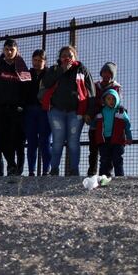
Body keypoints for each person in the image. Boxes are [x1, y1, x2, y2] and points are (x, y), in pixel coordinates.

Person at [41, 45, 95, 176]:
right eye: (64, 55)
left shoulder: (82, 69)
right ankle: (54, 169)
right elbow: (46, 83)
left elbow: (91, 91)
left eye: (70, 55)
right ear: (59, 58)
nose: (67, 58)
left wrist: (89, 112)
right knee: (58, 140)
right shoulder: (54, 69)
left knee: (73, 141)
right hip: (56, 111)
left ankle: (74, 170)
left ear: (75, 57)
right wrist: (61, 70)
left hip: (76, 112)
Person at [0, 39, 31, 175]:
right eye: (6, 49)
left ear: (16, 50)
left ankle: (12, 167)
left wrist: (21, 105)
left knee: (12, 139)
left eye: (12, 49)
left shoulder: (22, 67)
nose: (9, 52)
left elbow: (26, 88)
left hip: (15, 110)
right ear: (3, 50)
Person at [87, 63, 122, 177]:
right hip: (95, 121)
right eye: (105, 72)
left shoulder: (116, 87)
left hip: (108, 124)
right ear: (101, 73)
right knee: (93, 148)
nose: (106, 75)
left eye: (110, 73)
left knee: (108, 149)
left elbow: (116, 104)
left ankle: (107, 173)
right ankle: (92, 171)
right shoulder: (95, 86)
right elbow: (91, 100)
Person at [23, 49, 52, 176]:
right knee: (31, 141)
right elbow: (21, 91)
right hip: (29, 111)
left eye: (40, 60)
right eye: (35, 60)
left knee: (45, 141)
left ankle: (46, 170)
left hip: (45, 111)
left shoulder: (50, 74)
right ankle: (31, 170)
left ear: (45, 62)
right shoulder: (26, 74)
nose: (37, 63)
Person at [91, 89, 132, 177]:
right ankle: (103, 177)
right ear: (104, 100)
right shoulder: (100, 112)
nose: (111, 101)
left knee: (117, 159)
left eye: (113, 99)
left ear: (117, 100)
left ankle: (119, 177)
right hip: (104, 140)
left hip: (118, 140)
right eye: (108, 99)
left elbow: (127, 125)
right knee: (104, 160)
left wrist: (129, 136)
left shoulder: (121, 111)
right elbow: (94, 124)